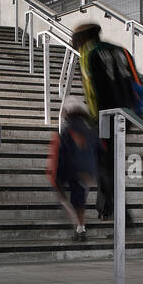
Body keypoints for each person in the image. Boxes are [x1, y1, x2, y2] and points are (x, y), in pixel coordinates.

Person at [70, 22, 143, 221]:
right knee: (108, 162)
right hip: (126, 115)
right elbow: (138, 84)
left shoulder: (88, 54)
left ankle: (121, 211)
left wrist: (95, 121)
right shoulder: (122, 51)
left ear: (81, 39)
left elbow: (93, 91)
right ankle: (105, 207)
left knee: (105, 165)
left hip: (105, 118)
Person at [46, 98, 99, 241]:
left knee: (62, 197)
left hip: (69, 168)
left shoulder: (66, 129)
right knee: (80, 200)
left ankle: (75, 224)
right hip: (86, 170)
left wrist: (57, 174)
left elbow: (62, 152)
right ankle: (81, 228)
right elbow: (97, 150)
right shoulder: (91, 130)